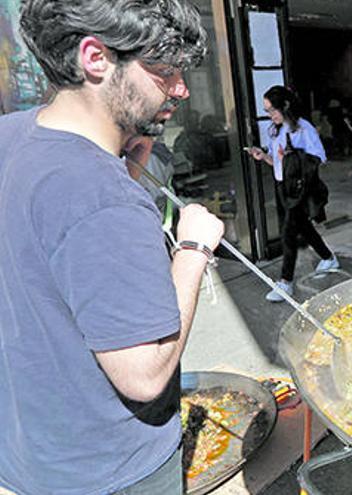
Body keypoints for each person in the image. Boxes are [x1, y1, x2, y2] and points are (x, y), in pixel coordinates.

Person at [0, 1, 224, 494]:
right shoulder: (104, 201)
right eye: (164, 72)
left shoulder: (11, 136)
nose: (182, 90)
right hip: (113, 469)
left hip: (31, 450)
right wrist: (191, 250)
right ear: (95, 58)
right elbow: (143, 376)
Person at [248, 85, 337, 301]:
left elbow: (319, 157)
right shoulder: (276, 130)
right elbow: (278, 162)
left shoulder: (303, 128)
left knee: (288, 233)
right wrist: (264, 156)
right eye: (267, 111)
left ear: (285, 106)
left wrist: (292, 154)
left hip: (299, 190)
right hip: (282, 187)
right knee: (303, 228)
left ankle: (284, 282)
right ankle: (328, 257)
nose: (269, 115)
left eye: (271, 110)